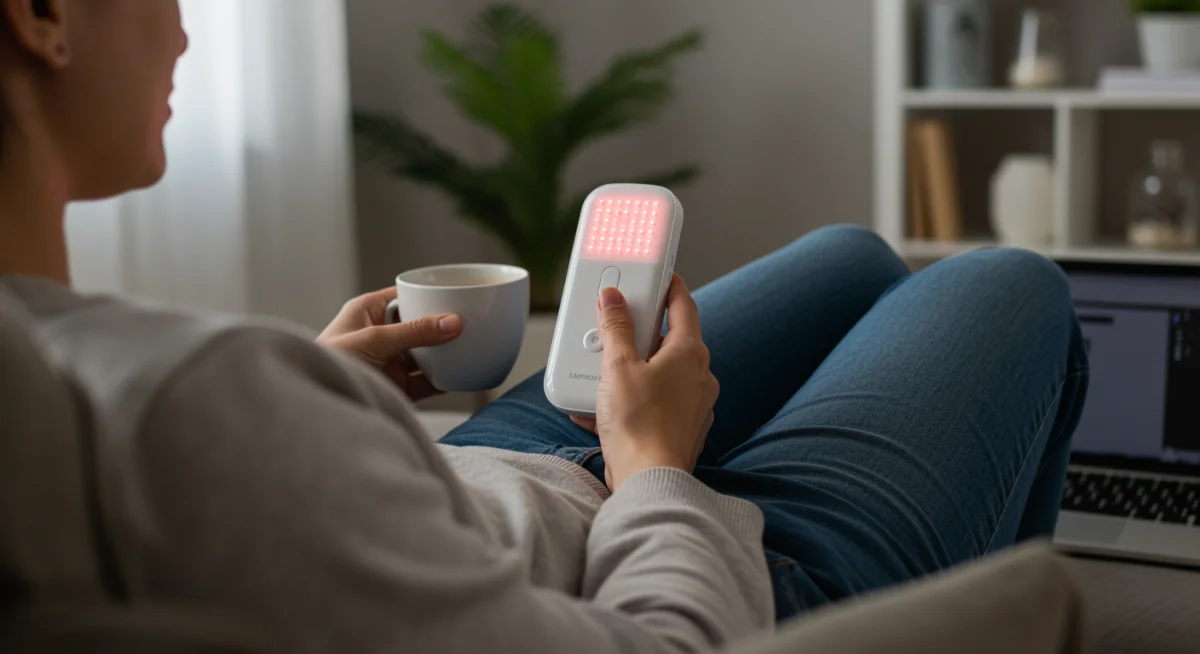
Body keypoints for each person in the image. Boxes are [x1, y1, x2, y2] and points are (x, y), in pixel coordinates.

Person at [0, 1, 1089, 652]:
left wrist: (317, 396)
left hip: (473, 484)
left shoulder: (98, 374)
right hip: (647, 548)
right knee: (1009, 284)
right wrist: (656, 466)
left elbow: (236, 506)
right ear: (40, 13)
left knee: (851, 256)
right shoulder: (189, 403)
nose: (185, 28)